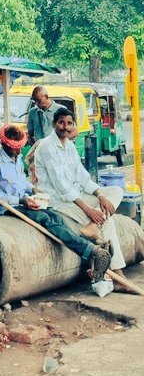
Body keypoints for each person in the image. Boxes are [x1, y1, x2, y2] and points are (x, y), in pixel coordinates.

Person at [0, 124, 111, 282]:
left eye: (19, 148)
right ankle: (92, 250)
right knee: (45, 219)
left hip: (23, 202)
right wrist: (21, 200)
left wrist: (33, 191)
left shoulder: (16, 159)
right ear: (4, 145)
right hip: (7, 208)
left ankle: (91, 251)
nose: (18, 152)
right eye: (14, 149)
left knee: (55, 216)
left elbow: (21, 182)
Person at [34, 106, 131, 290]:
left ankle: (94, 227)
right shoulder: (47, 147)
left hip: (77, 197)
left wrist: (100, 196)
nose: (65, 126)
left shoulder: (69, 146)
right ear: (54, 124)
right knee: (107, 221)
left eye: (69, 123)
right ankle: (118, 276)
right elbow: (62, 187)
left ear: (73, 125)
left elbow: (83, 178)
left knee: (115, 192)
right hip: (58, 203)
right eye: (61, 122)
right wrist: (88, 209)